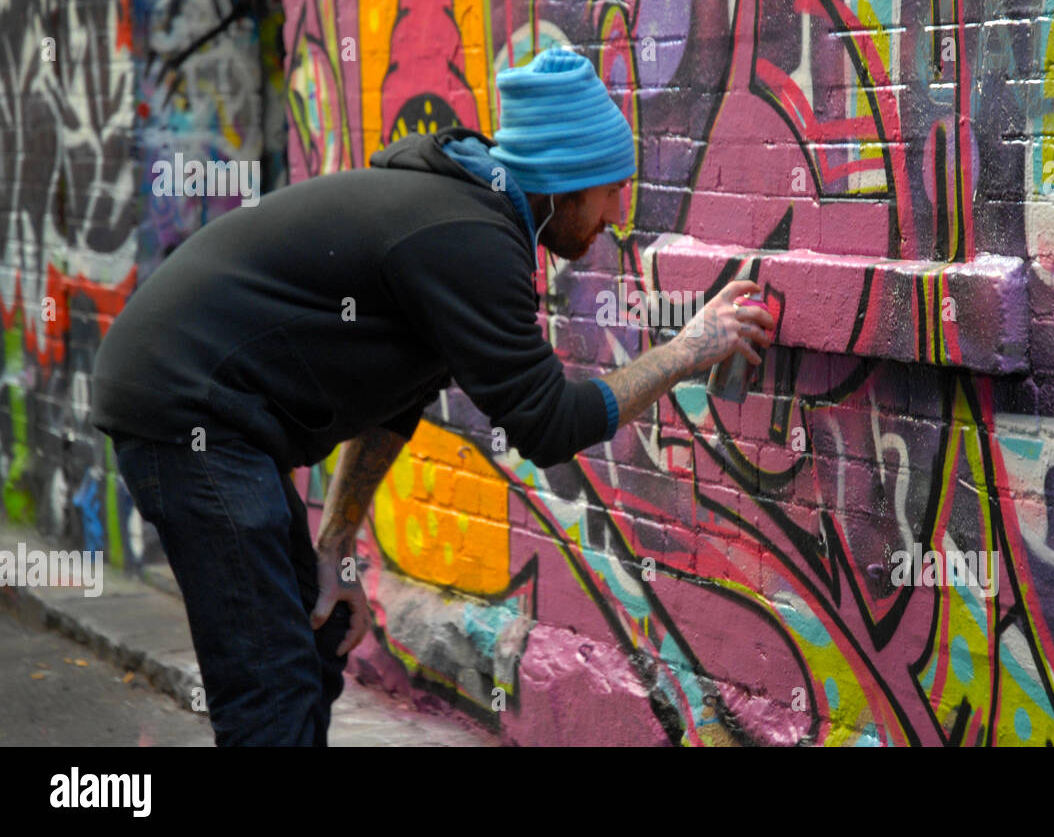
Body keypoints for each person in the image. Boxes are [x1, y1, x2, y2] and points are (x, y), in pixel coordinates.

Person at [89, 46, 775, 746]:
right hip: (186, 409)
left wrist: (335, 545)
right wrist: (691, 348)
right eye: (609, 190)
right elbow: (547, 424)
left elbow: (396, 402)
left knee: (314, 639)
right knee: (270, 683)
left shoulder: (464, 212)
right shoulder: (469, 238)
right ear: (565, 183)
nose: (616, 216)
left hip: (215, 414)